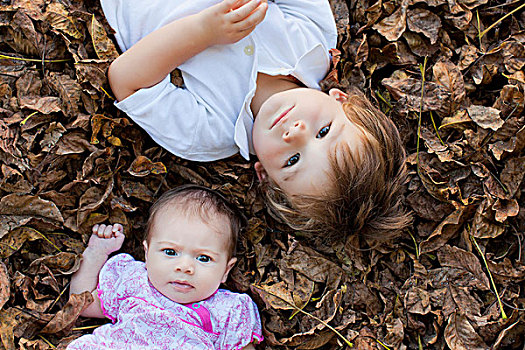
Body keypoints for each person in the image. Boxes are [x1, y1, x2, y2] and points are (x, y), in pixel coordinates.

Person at [101, 0, 410, 241]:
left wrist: (203, 32)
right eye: (324, 131)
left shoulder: (210, 134)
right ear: (342, 100)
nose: (296, 133)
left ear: (264, 175)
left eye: (292, 160)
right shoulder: (313, 44)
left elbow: (126, 80)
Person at [67, 185, 262, 349]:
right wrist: (96, 253)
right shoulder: (133, 281)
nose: (185, 267)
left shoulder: (227, 310)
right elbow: (82, 304)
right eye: (170, 252)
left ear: (225, 271)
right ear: (147, 254)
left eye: (203, 258)